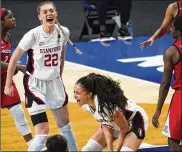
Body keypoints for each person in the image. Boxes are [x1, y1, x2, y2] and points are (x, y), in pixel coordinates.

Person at [4, 1, 78, 151]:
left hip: (54, 83)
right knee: (42, 132)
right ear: (40, 17)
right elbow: (14, 58)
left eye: (51, 10)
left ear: (56, 13)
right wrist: (7, 84)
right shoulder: (32, 35)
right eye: (45, 12)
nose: (49, 14)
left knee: (66, 126)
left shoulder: (63, 31)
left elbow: (62, 58)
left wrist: (59, 77)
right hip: (34, 84)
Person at [73, 73, 148, 151]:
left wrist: (117, 149)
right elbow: (106, 125)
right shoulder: (86, 105)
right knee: (87, 150)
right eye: (74, 92)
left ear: (89, 94)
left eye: (78, 93)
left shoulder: (106, 106)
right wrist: (110, 149)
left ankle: (131, 143)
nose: (74, 96)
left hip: (135, 121)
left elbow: (124, 128)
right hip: (115, 124)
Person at [1, 8, 33, 148]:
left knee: (18, 112)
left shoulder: (7, 36)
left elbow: (5, 61)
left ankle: (33, 146)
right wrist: (17, 67)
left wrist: (12, 69)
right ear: (1, 21)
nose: (14, 19)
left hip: (5, 79)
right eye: (10, 17)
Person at [152, 16, 182, 151]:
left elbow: (165, 84)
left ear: (179, 32)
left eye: (173, 28)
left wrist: (158, 110)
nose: (171, 30)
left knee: (174, 143)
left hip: (181, 98)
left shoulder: (172, 52)